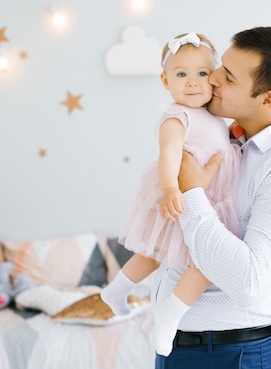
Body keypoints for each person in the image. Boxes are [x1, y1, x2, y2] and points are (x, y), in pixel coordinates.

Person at [154, 26, 271, 369]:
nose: (212, 78)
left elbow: (249, 282)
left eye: (228, 77)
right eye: (221, 66)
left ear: (268, 99)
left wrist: (191, 192)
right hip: (184, 347)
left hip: (235, 354)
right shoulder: (233, 136)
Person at [101, 31, 242, 357]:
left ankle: (117, 291)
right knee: (171, 253)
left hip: (210, 198)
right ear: (166, 80)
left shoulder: (216, 115)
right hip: (181, 195)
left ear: (215, 77)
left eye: (202, 73)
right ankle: (169, 312)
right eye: (181, 74)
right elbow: (169, 156)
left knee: (184, 254)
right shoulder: (175, 117)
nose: (192, 83)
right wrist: (168, 190)